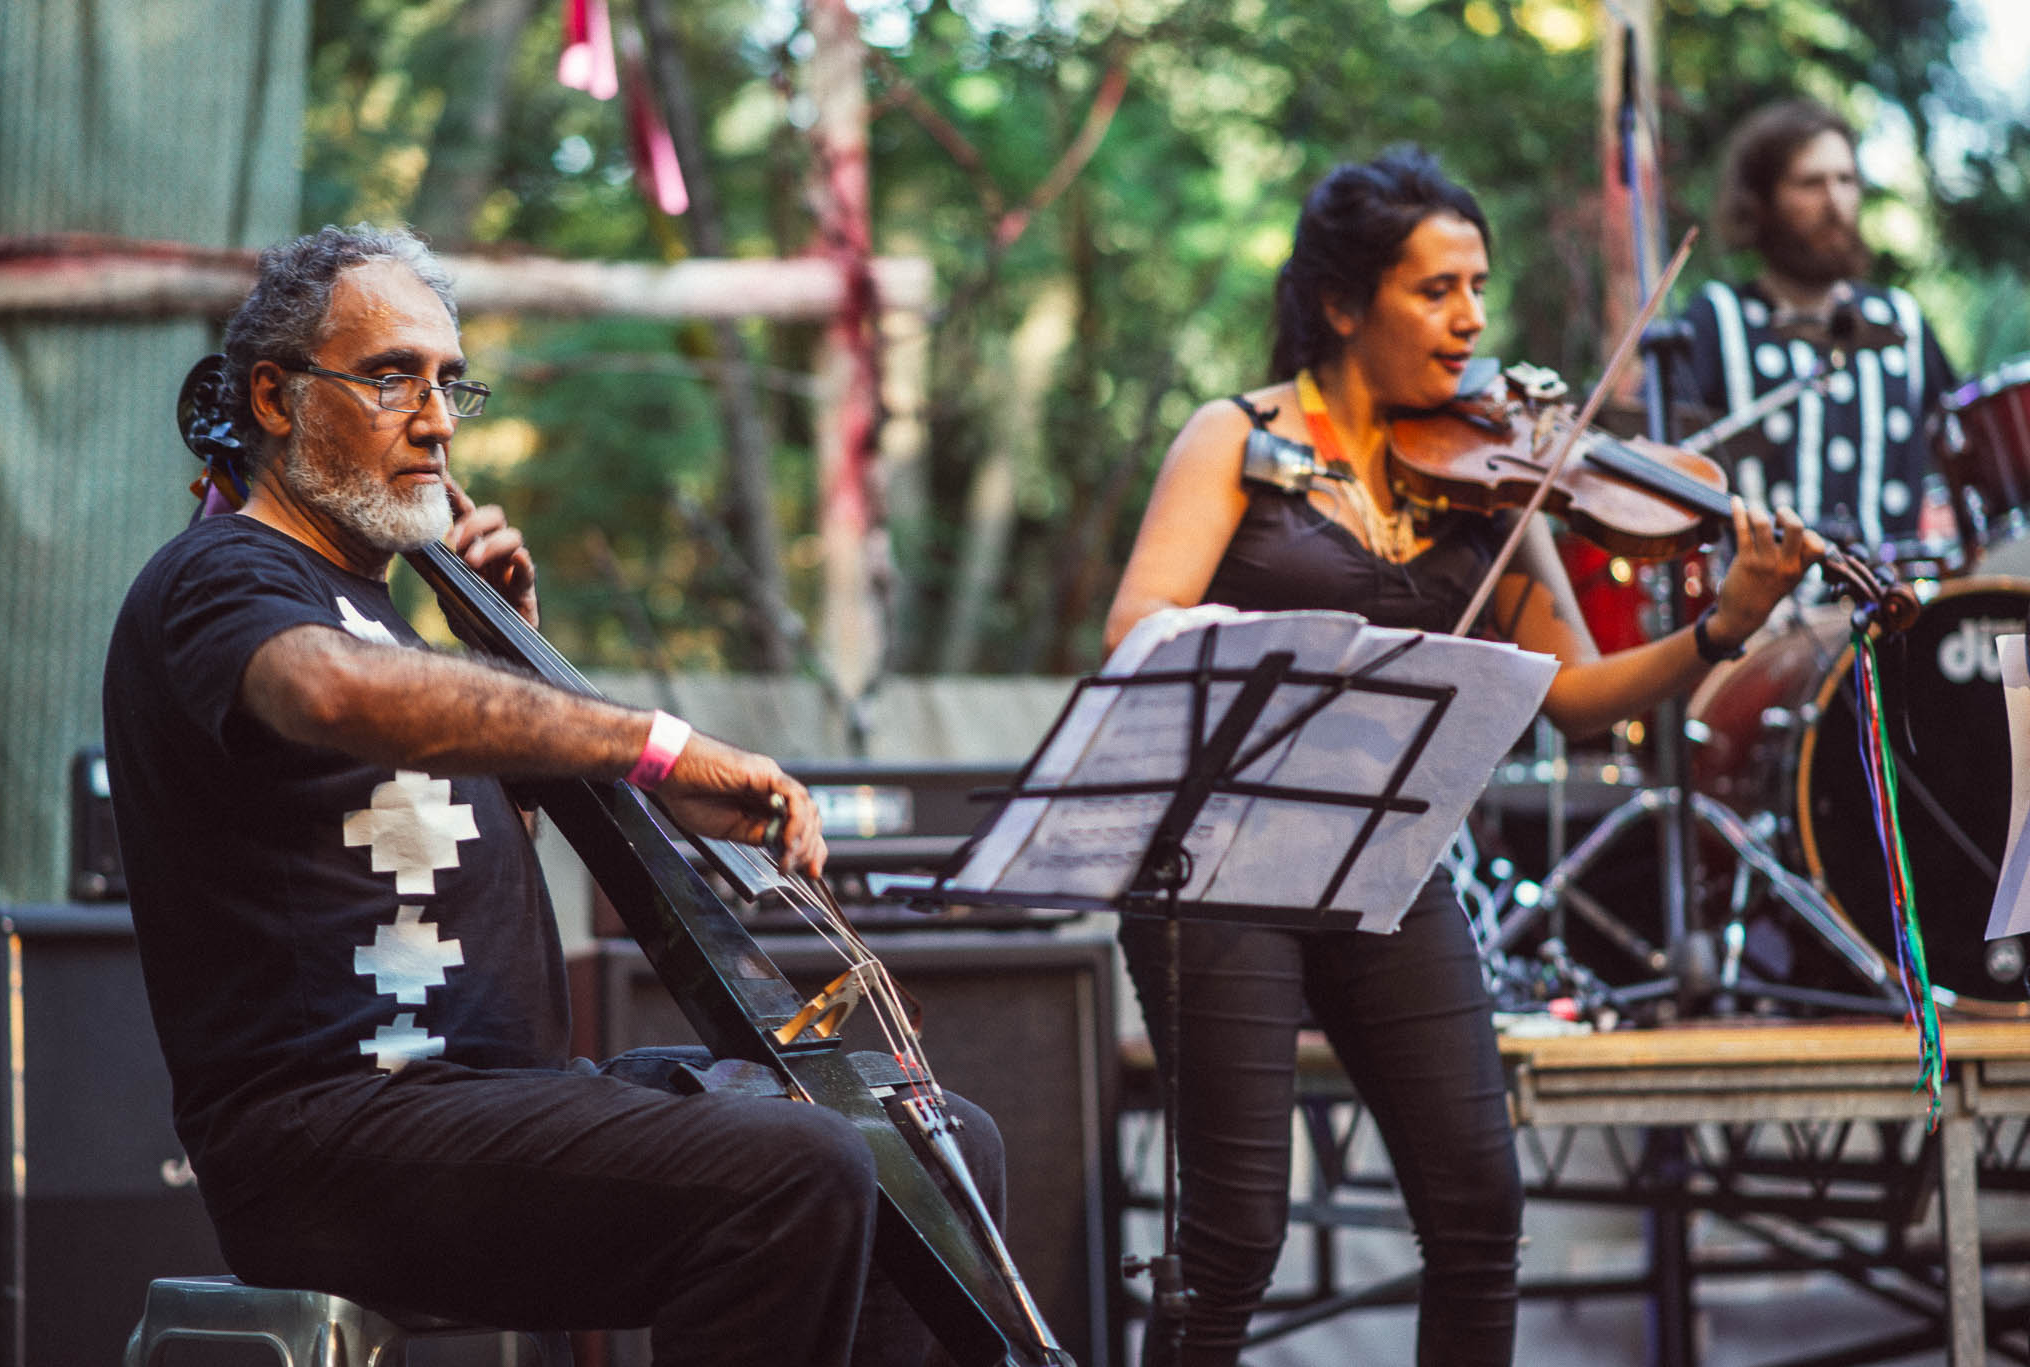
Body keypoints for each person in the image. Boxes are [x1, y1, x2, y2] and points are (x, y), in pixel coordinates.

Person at [103, 224, 1002, 1367]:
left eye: (446, 382)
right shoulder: (224, 575)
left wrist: (516, 646)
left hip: (492, 1106)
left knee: (924, 1141)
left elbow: (469, 872)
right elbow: (322, 692)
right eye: (389, 377)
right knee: (799, 1167)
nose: (433, 419)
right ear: (273, 398)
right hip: (332, 1133)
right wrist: (658, 747)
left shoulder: (389, 621)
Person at [1103, 147, 1821, 1366]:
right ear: (1342, 304)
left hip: (1386, 857)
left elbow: (1580, 698)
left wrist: (1722, 628)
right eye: (1436, 290)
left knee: (1479, 1207)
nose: (1472, 319)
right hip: (1217, 865)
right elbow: (1137, 630)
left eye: (1477, 287)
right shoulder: (1235, 439)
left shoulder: (1490, 475)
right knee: (1232, 1236)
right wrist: (1311, 646)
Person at [1677, 98, 1957, 555]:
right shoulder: (1718, 319)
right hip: (1760, 620)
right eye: (1810, 183)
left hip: (1896, 610)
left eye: (1846, 180)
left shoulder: (1901, 320)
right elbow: (1670, 457)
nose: (1835, 202)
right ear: (1761, 202)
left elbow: (1967, 457)